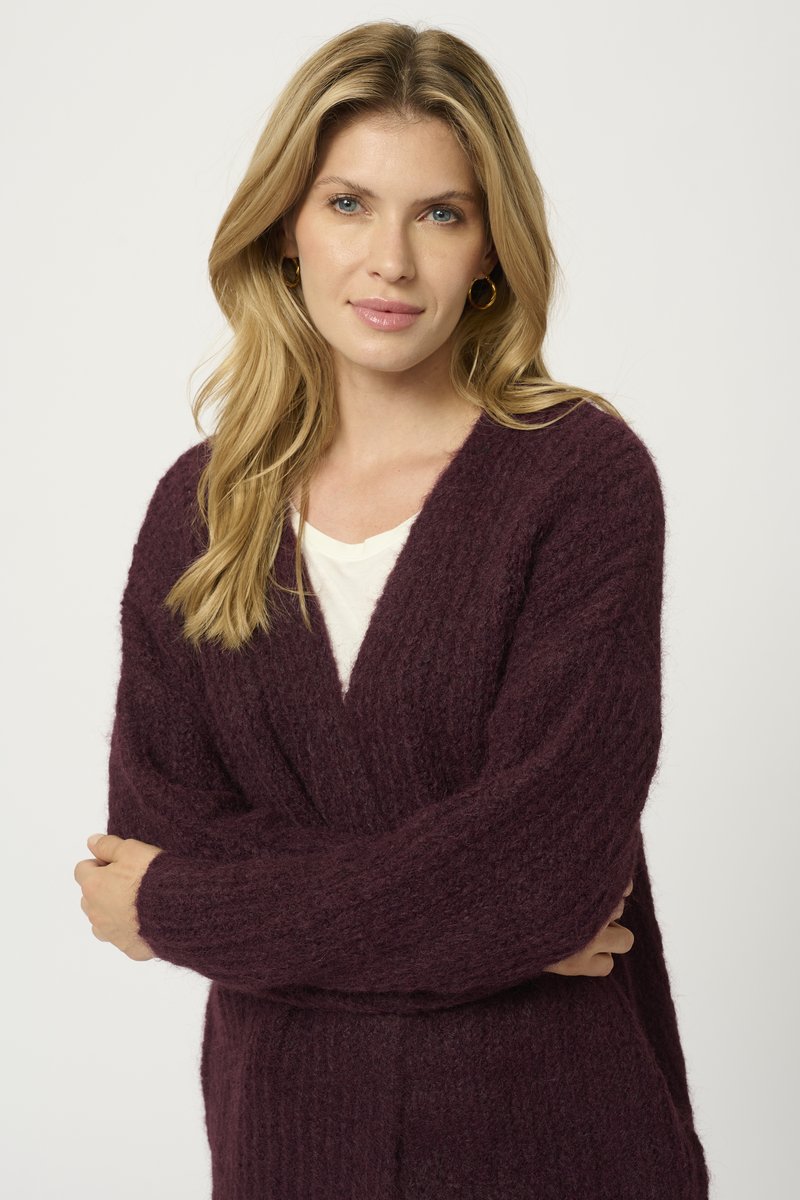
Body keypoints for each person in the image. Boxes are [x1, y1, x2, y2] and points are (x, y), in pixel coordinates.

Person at [73, 19, 710, 1199]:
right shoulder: (203, 508)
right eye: (348, 204)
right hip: (287, 1145)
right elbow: (156, 831)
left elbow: (544, 870)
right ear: (287, 225)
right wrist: (482, 916)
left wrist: (192, 907)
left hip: (554, 1142)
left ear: (490, 246)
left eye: (440, 213)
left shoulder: (577, 478)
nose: (391, 263)